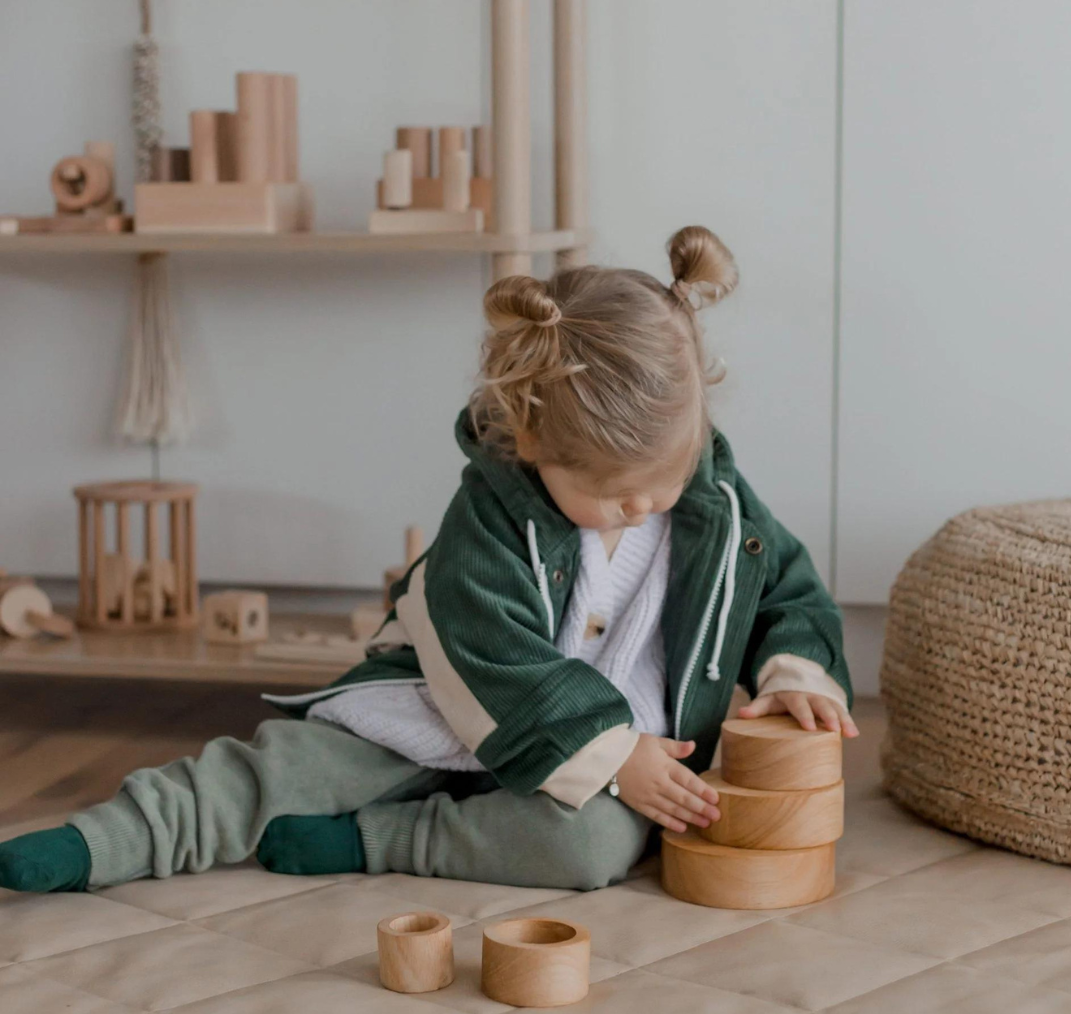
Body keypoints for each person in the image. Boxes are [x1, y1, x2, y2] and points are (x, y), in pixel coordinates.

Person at [0, 226, 856, 895]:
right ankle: (110, 840)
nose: (645, 510)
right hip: (455, 711)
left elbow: (786, 586)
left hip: (601, 760)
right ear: (530, 441)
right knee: (283, 770)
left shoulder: (714, 500)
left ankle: (385, 841)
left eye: (662, 485)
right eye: (616, 495)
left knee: (594, 848)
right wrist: (610, 748)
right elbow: (492, 656)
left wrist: (794, 676)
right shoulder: (489, 515)